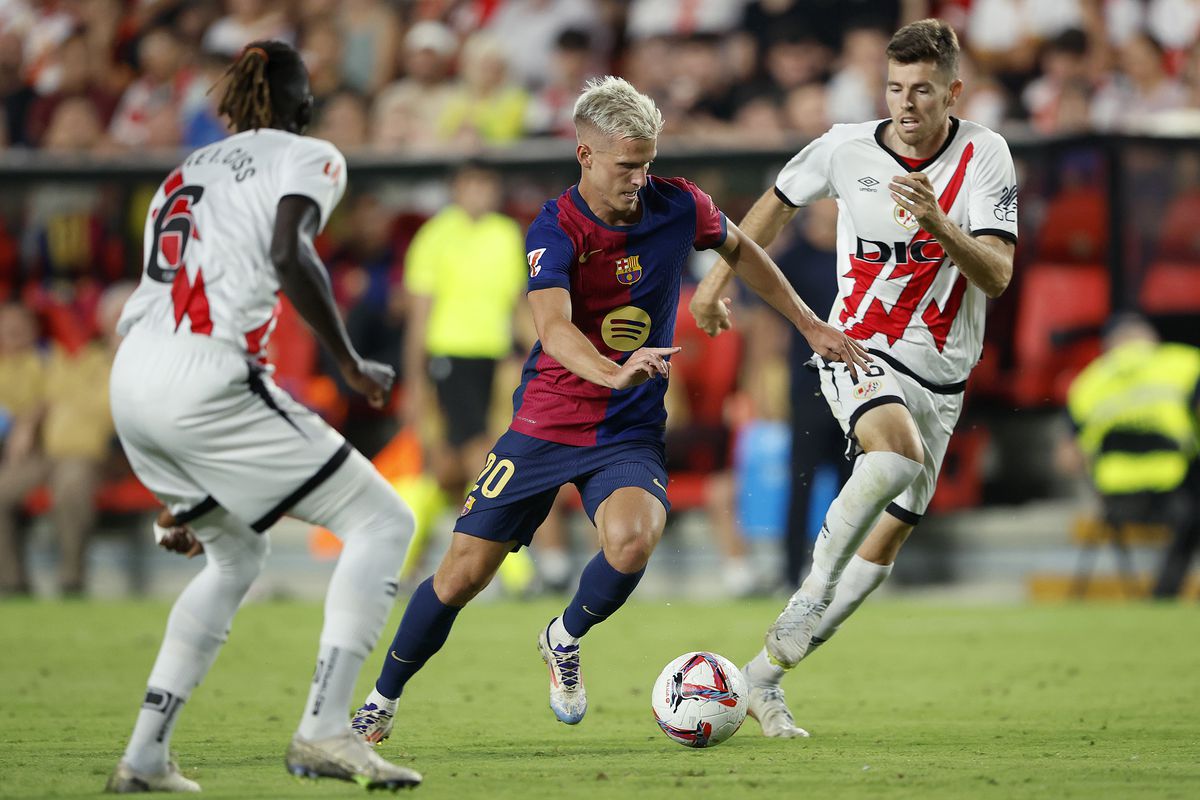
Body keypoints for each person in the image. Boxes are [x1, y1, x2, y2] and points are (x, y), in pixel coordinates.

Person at [350, 75, 868, 743]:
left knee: (631, 540)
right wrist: (613, 370)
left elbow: (743, 249)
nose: (640, 178)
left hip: (626, 430)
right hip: (546, 422)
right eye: (628, 165)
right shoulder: (555, 225)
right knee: (460, 575)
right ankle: (380, 703)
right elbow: (554, 328)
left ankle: (563, 637)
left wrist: (808, 323)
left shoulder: (679, 203)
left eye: (648, 162)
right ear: (585, 154)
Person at [104, 41, 421, 792]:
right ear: (302, 106)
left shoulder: (182, 174)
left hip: (133, 378)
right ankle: (325, 730)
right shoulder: (310, 156)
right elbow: (289, 248)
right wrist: (348, 360)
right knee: (385, 524)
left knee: (234, 556)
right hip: (207, 378)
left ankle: (145, 757)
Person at [692, 18, 1018, 738]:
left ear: (953, 91)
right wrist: (718, 278)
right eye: (895, 88)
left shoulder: (986, 156)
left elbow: (995, 274)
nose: (906, 104)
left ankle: (760, 680)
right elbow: (774, 205)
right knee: (892, 456)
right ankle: (808, 594)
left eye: (922, 90)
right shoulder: (845, 146)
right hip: (857, 346)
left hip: (945, 375)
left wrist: (940, 224)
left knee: (889, 543)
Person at [1065, 314, 1200, 599]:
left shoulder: (1088, 382)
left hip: (1117, 503)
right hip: (1175, 496)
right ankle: (1164, 593)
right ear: (1152, 338)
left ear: (1109, 345)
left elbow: (1068, 458)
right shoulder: (1184, 364)